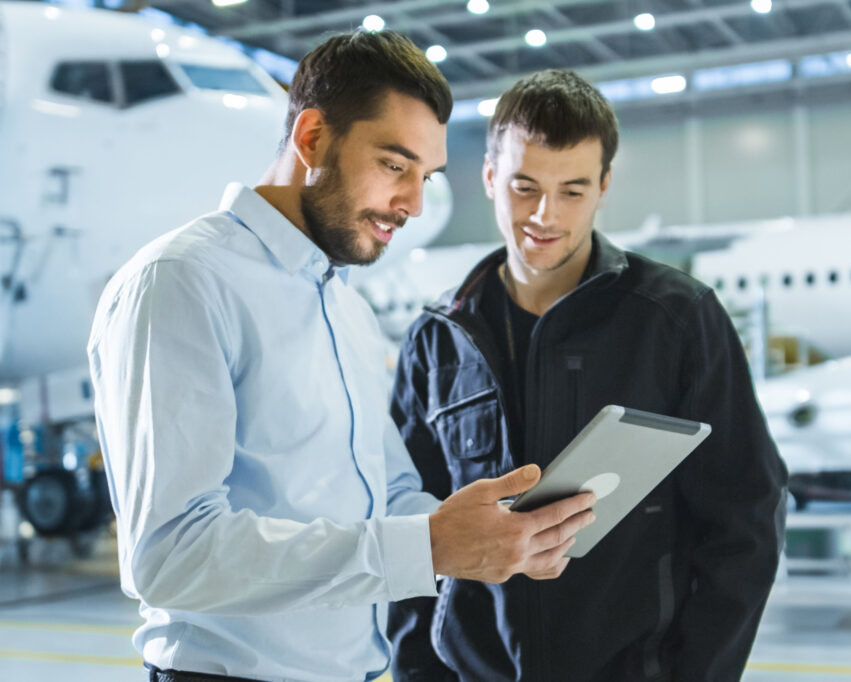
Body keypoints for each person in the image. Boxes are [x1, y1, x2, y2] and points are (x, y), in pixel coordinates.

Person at [87, 34, 595, 682]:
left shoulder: (344, 306)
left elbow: (385, 496)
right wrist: (426, 545)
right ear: (312, 139)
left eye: (425, 177)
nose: (412, 203)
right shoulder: (183, 281)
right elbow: (171, 556)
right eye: (394, 165)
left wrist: (497, 537)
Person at [388, 69, 789, 682]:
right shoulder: (438, 339)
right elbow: (408, 526)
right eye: (524, 187)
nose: (544, 215)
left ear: (603, 187)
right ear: (490, 177)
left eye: (572, 191)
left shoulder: (677, 320)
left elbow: (747, 519)